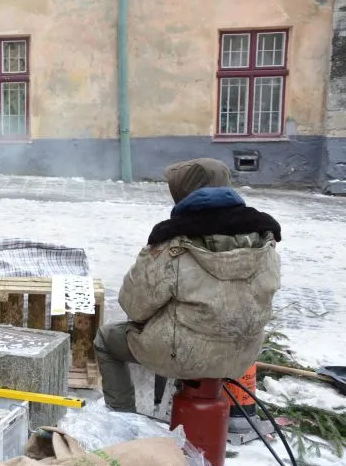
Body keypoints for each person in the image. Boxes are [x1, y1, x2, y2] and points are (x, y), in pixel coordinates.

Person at [94, 158, 282, 412]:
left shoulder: (171, 243)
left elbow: (133, 306)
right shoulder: (265, 239)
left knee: (107, 339)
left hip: (182, 354)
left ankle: (122, 421)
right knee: (178, 329)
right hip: (243, 356)